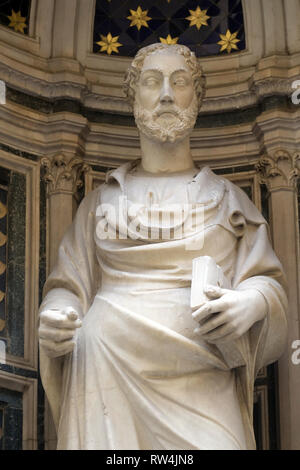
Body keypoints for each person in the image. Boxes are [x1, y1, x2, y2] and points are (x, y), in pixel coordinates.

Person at [38, 44, 288, 450]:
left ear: (198, 97)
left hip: (203, 378)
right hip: (106, 372)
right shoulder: (99, 204)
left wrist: (252, 305)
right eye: (152, 82)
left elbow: (268, 284)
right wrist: (55, 318)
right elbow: (69, 284)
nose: (167, 94)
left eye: (181, 81)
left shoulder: (228, 201)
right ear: (134, 99)